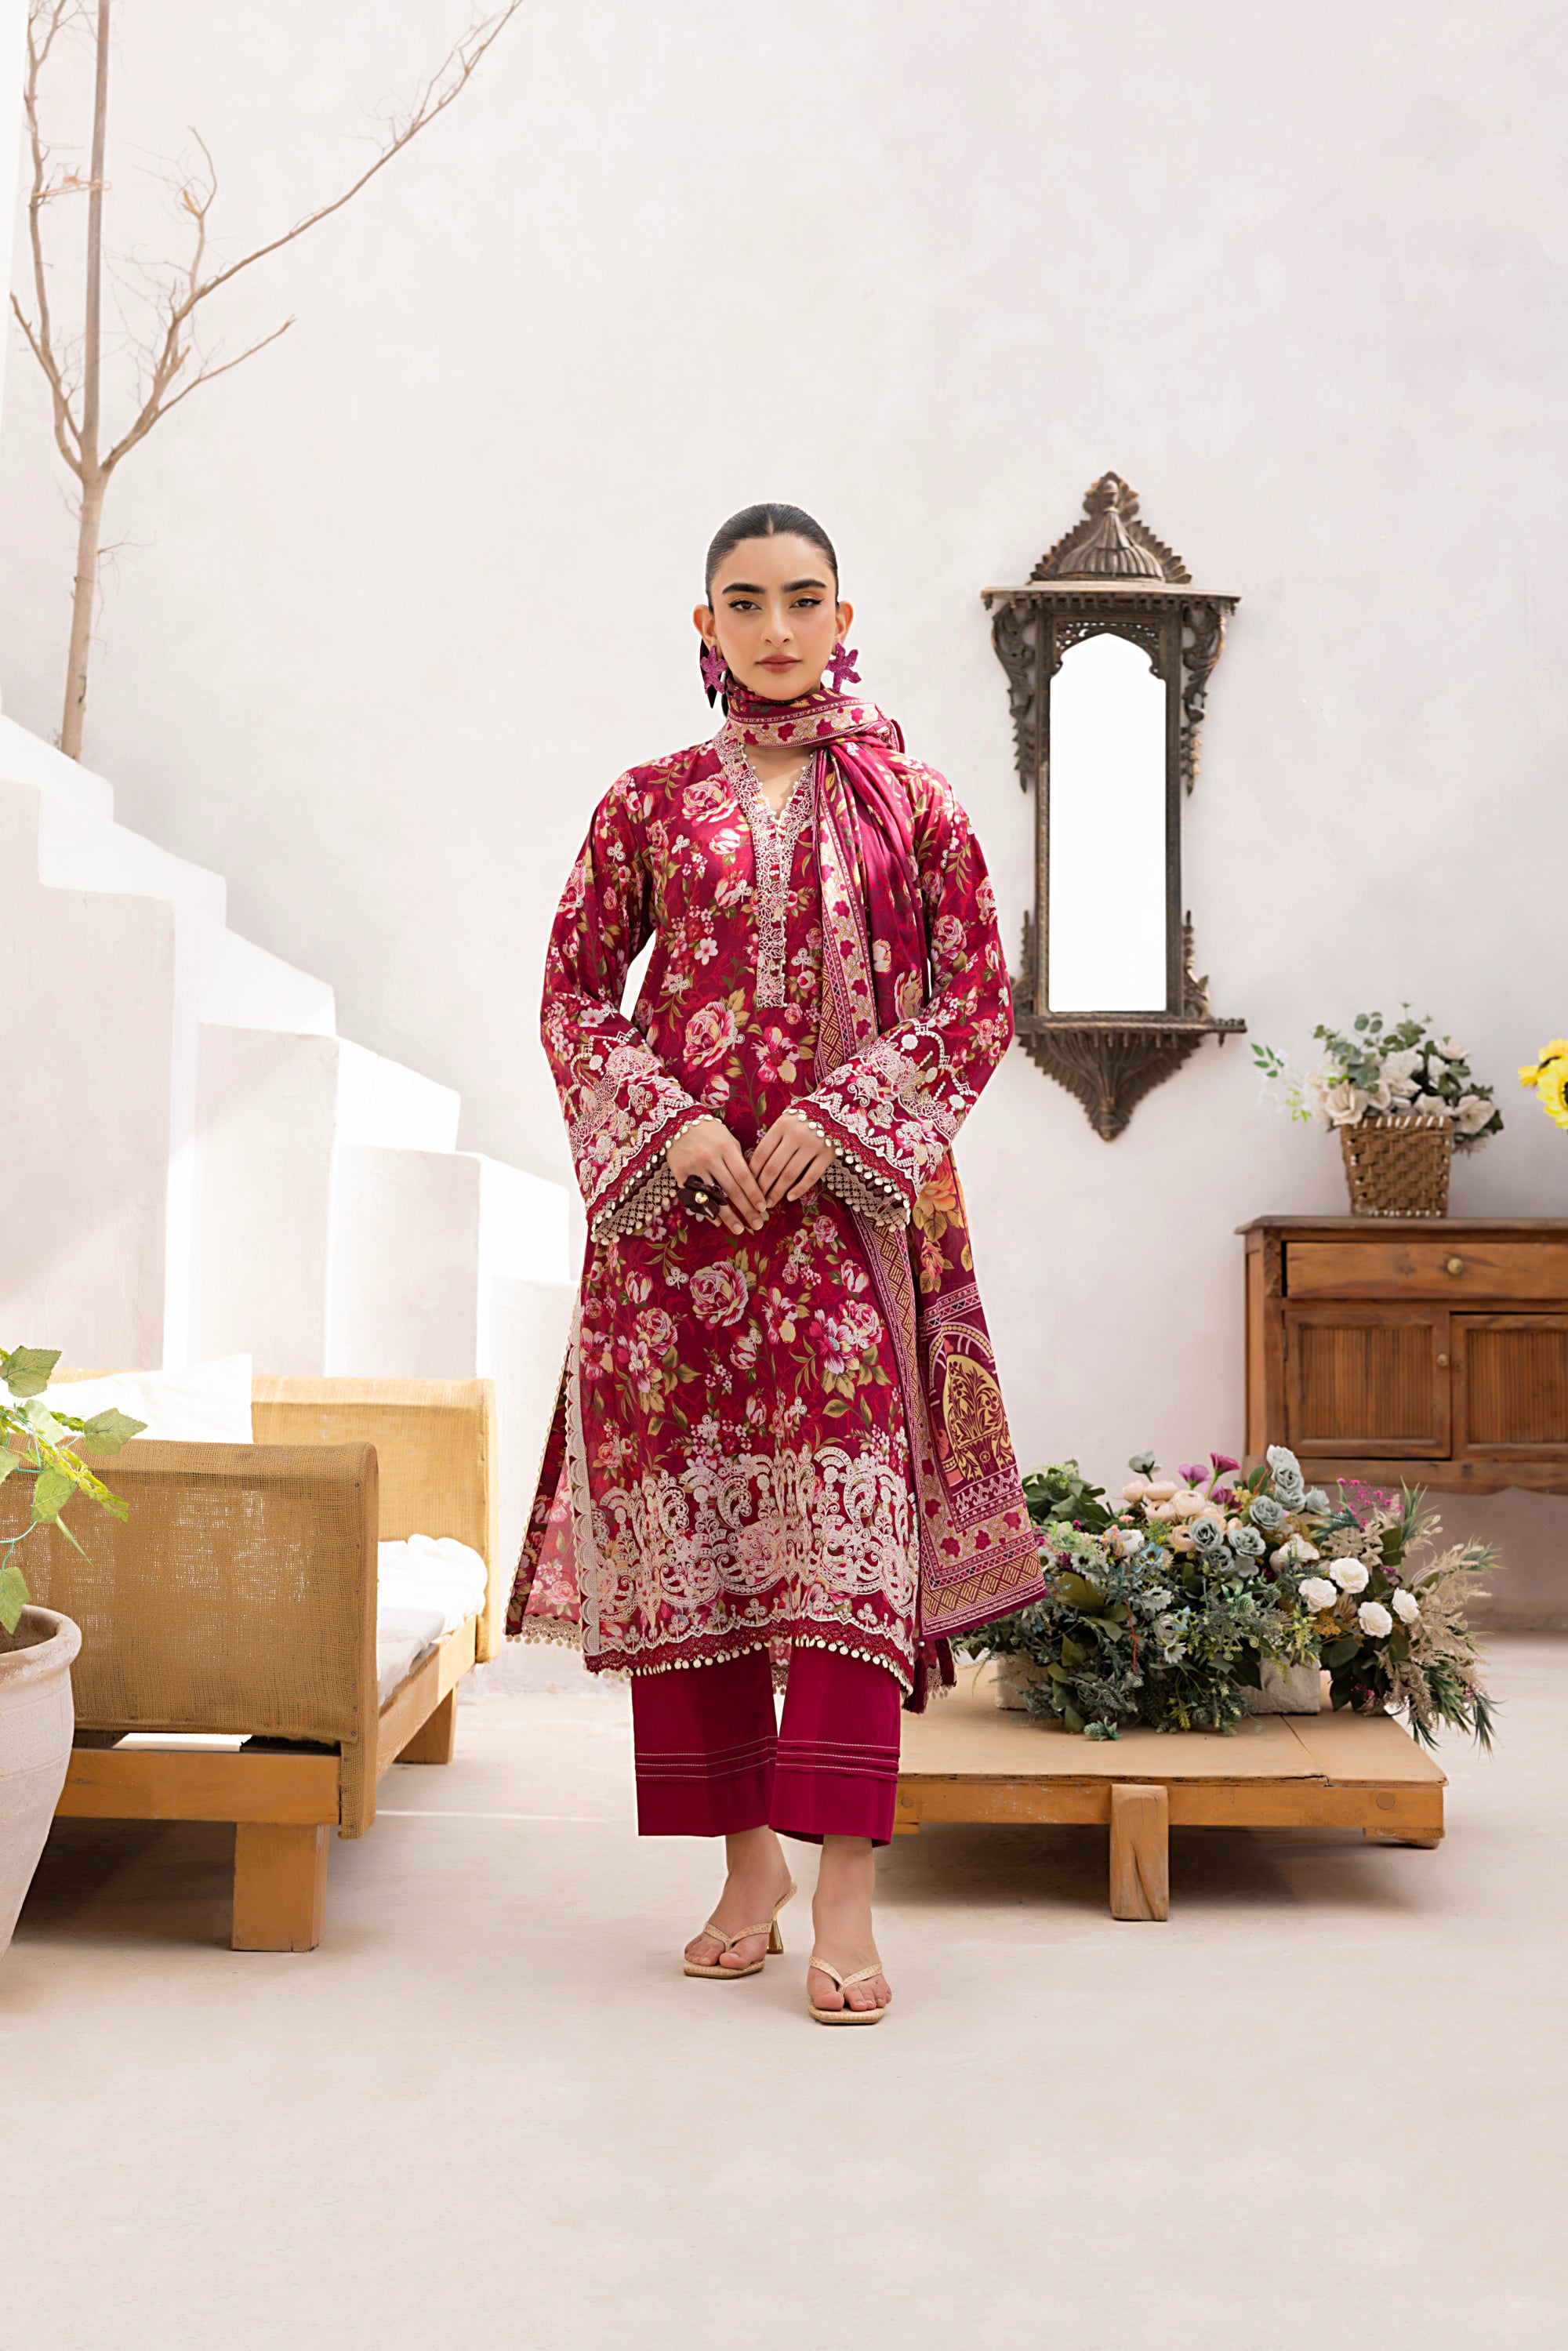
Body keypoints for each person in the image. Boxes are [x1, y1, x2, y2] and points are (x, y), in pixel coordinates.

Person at [508, 503, 1042, 2022]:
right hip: (675, 1247)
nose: (776, 628)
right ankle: (749, 1868)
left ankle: (848, 1893)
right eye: (744, 604)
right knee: (703, 1558)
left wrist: (848, 1115)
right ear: (706, 626)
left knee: (852, 1551)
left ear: (843, 615)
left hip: (843, 1233)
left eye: (802, 600)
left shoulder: (914, 803)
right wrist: (669, 1124)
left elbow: (976, 1001)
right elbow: (571, 994)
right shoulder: (646, 804)